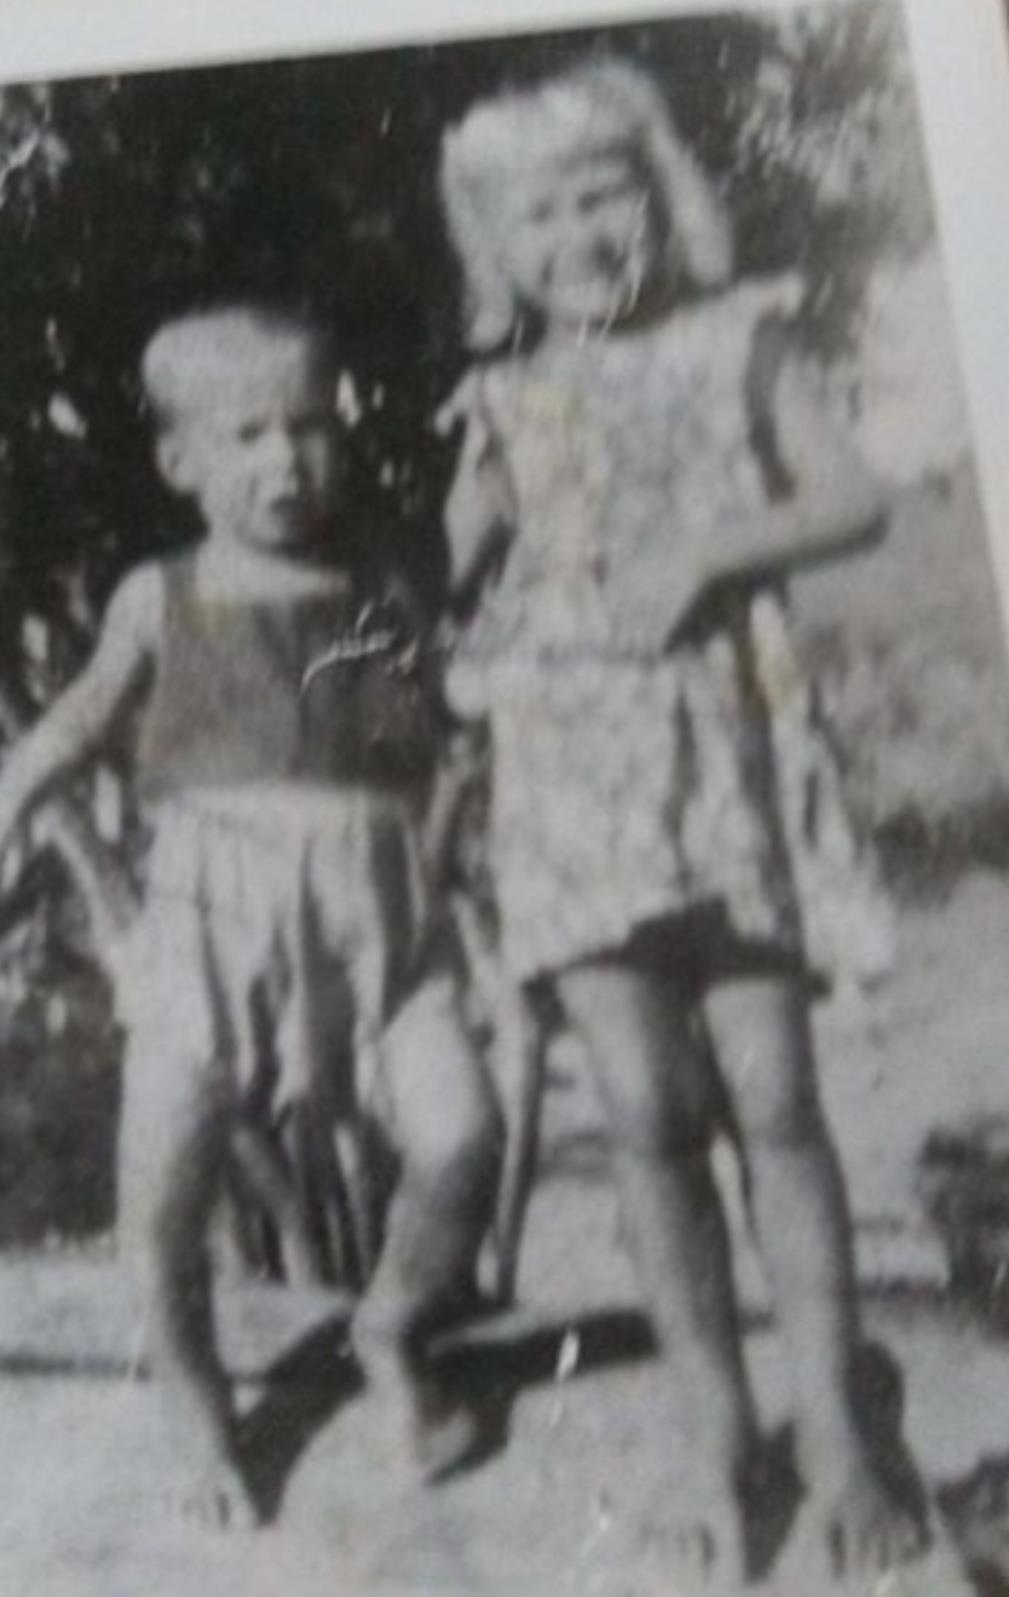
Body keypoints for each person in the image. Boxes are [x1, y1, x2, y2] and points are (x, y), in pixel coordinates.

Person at [436, 55, 924, 1586]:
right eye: (540, 217)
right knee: (645, 1113)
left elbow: (855, 499)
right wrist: (457, 614)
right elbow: (451, 580)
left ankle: (835, 1433)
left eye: (605, 197)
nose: (580, 237)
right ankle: (717, 1433)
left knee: (773, 1098)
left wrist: (712, 549)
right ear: (497, 248)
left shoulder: (734, 339)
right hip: (571, 788)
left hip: (726, 770)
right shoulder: (500, 398)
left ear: (656, 199)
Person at [0, 302, 500, 1529]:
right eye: (247, 434)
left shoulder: (379, 584)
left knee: (463, 1135)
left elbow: (457, 706)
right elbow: (75, 723)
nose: (285, 459)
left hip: (376, 913)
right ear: (181, 460)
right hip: (209, 917)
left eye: (309, 426)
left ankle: (394, 1328)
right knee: (162, 1192)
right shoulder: (162, 595)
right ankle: (198, 1412)